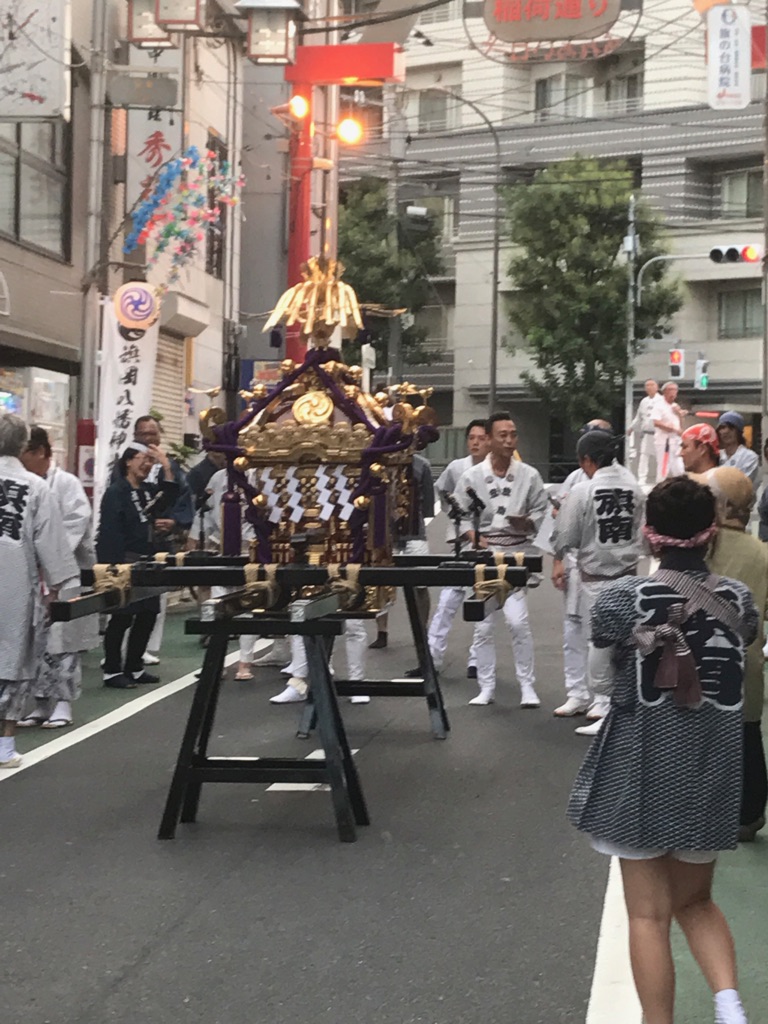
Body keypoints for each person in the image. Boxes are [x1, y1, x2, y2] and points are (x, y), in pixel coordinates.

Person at [568, 476, 756, 1024]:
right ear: (711, 533)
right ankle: (729, 1006)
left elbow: (601, 661)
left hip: (641, 765)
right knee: (697, 901)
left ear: (649, 534)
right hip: (712, 768)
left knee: (647, 916)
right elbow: (746, 635)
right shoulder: (738, 600)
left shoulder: (623, 599)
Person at [552, 429, 645, 734]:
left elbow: (566, 537)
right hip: (629, 577)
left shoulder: (584, 490)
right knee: (625, 643)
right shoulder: (635, 488)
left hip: (595, 579)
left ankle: (606, 705)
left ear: (588, 460)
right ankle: (611, 704)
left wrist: (561, 550)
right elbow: (645, 537)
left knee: (599, 642)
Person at [453, 411, 547, 707]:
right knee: (482, 625)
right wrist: (472, 535)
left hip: (516, 555)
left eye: (513, 434)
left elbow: (542, 512)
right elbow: (460, 513)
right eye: (502, 435)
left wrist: (527, 522)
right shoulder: (471, 477)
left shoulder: (529, 475)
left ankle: (527, 685)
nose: (509, 440)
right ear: (490, 439)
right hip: (485, 556)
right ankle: (486, 686)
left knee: (518, 623)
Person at [0, 414, 76, 768]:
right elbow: (53, 546)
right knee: (12, 661)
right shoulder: (34, 487)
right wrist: (55, 589)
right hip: (15, 587)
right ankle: (4, 746)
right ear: (22, 446)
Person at [17, 427, 97, 729]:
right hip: (31, 573)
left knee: (63, 640)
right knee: (34, 641)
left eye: (24, 455)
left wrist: (45, 552)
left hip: (63, 572)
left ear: (40, 452)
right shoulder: (25, 484)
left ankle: (63, 703)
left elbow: (77, 523)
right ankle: (39, 704)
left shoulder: (66, 483)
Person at [703, 467, 767, 843]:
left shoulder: (702, 547)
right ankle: (750, 813)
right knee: (748, 736)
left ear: (720, 505)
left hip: (700, 661)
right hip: (747, 661)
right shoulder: (762, 553)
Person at [547, 419, 615, 718]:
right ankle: (576, 693)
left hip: (604, 568)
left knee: (599, 635)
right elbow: (558, 522)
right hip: (576, 564)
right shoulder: (574, 479)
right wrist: (558, 561)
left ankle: (602, 698)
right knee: (572, 631)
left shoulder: (618, 481)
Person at [97, 441, 179, 689]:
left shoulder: (148, 490)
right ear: (128, 461)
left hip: (148, 560)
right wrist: (112, 567)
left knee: (147, 614)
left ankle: (134, 666)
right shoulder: (116, 492)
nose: (147, 465)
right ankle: (112, 670)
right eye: (143, 459)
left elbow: (169, 496)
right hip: (123, 561)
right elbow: (109, 532)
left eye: (150, 461)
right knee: (121, 617)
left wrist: (166, 466)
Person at [424, 419, 488, 677]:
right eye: (471, 437)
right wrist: (455, 515)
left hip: (487, 543)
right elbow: (442, 491)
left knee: (482, 604)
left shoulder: (494, 470)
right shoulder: (456, 467)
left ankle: (477, 660)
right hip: (462, 542)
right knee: (447, 603)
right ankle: (432, 657)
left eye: (481, 438)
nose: (475, 442)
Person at [187, 465, 261, 680]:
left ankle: (244, 662)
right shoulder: (219, 477)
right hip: (222, 545)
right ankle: (215, 663)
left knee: (248, 601)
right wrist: (194, 537)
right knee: (218, 604)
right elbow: (206, 510)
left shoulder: (259, 475)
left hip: (251, 545)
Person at [131, 415, 194, 664]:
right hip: (134, 540)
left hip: (161, 540)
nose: (149, 439)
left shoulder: (169, 465)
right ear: (135, 436)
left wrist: (174, 522)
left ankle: (146, 647)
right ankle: (123, 650)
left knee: (156, 597)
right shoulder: (127, 462)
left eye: (153, 433)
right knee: (128, 598)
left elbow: (183, 496)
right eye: (144, 434)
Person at [370, 452, 434, 651]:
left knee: (421, 583)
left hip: (414, 531)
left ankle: (421, 628)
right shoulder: (380, 462)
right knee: (381, 582)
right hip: (385, 532)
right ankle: (382, 631)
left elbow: (428, 503)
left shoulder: (422, 465)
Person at [628, 379, 659, 486]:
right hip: (646, 433)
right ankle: (642, 478)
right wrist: (631, 427)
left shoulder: (662, 400)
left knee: (659, 458)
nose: (649, 387)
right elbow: (638, 417)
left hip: (659, 434)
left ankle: (660, 478)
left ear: (657, 387)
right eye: (647, 385)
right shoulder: (643, 401)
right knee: (643, 456)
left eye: (652, 385)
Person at [716, 411, 759, 486]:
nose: (726, 431)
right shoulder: (716, 455)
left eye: (731, 428)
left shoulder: (749, 457)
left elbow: (742, 484)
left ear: (739, 432)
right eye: (722, 427)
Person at [652, 380, 683, 481]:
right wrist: (672, 428)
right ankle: (660, 485)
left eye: (675, 390)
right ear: (664, 392)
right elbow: (656, 422)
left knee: (679, 467)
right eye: (670, 390)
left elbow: (680, 424)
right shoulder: (658, 405)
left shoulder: (675, 406)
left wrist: (679, 414)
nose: (673, 392)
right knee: (664, 467)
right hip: (663, 441)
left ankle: (681, 486)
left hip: (676, 441)